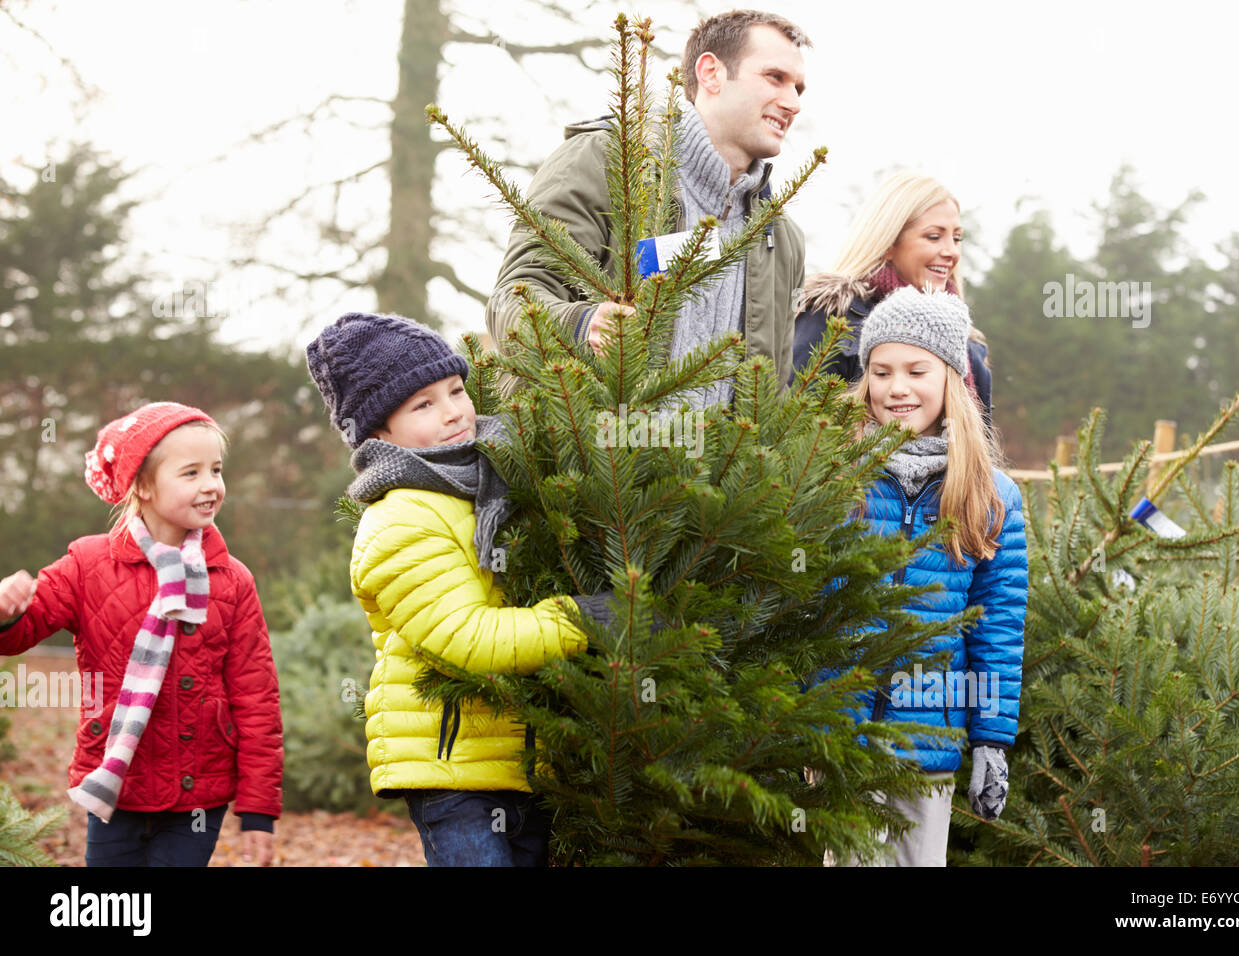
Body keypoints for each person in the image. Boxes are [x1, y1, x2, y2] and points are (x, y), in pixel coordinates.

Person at [306, 312, 610, 867]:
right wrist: (581, 619)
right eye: (423, 404)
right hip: (451, 768)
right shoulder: (400, 517)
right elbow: (466, 638)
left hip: (523, 760)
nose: (453, 412)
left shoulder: (492, 480)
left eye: (455, 390)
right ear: (378, 432)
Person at [0, 402, 282, 867]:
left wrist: (258, 810)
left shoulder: (232, 580)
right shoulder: (88, 566)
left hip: (199, 791)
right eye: (190, 473)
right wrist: (9, 611)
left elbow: (257, 699)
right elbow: (19, 634)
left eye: (216, 469)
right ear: (144, 486)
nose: (211, 484)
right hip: (117, 782)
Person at [487, 9, 811, 403]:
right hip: (594, 453)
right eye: (775, 78)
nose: (792, 103)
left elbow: (772, 399)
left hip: (713, 465)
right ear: (711, 73)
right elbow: (512, 301)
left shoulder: (781, 238)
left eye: (799, 88)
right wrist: (582, 325)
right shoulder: (604, 161)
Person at [831, 286, 1026, 866]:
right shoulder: (839, 478)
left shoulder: (992, 496)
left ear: (951, 379)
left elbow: (998, 628)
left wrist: (992, 741)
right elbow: (814, 608)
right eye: (881, 370)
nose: (897, 387)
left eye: (916, 370)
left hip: (929, 743)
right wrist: (813, 728)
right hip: (846, 739)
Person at [792, 171, 995, 432]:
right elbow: (794, 431)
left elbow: (982, 447)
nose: (951, 252)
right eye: (934, 237)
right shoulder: (832, 319)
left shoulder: (967, 346)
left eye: (956, 238)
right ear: (888, 243)